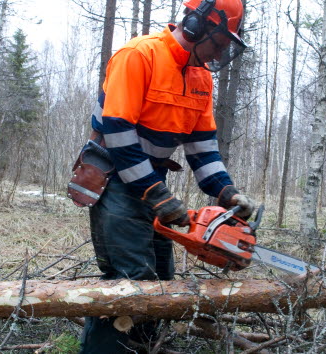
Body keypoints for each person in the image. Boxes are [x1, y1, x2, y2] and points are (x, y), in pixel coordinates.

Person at [79, 0, 253, 352]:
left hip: (150, 181)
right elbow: (118, 134)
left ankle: (144, 348)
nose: (219, 52)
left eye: (224, 47)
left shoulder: (200, 77)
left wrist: (227, 193)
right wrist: (156, 195)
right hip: (115, 180)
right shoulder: (139, 55)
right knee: (131, 283)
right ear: (195, 23)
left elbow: (203, 148)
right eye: (217, 42)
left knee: (162, 283)